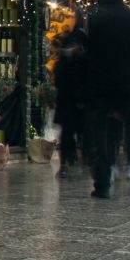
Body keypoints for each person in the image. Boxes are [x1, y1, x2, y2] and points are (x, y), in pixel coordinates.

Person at [78, 0, 130, 198]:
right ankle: (114, 162)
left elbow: (85, 57)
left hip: (98, 87)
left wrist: (84, 86)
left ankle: (103, 179)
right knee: (117, 129)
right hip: (126, 88)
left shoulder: (93, 19)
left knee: (99, 131)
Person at [51, 24, 89, 175]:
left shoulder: (66, 57)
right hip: (76, 100)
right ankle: (73, 159)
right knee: (77, 131)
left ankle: (67, 161)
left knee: (68, 132)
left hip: (67, 99)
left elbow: (59, 76)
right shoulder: (82, 54)